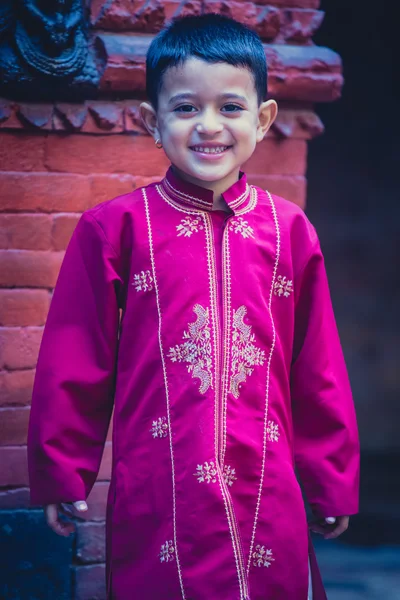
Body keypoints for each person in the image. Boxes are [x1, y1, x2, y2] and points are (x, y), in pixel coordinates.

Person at [27, 13, 360, 600]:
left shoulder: (289, 232)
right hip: (160, 491)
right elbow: (77, 360)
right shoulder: (115, 229)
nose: (209, 126)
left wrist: (331, 481)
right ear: (154, 123)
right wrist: (62, 470)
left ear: (262, 120)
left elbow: (318, 370)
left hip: (268, 491)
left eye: (230, 108)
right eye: (186, 109)